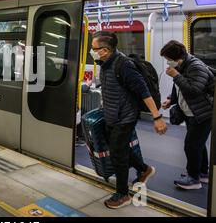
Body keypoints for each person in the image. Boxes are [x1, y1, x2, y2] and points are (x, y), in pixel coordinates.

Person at [90, 31, 167, 209]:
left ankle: (122, 194)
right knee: (119, 148)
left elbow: (143, 91)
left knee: (117, 154)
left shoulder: (124, 65)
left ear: (105, 50)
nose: (92, 52)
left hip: (125, 117)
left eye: (94, 49)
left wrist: (157, 117)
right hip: (112, 115)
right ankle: (145, 169)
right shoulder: (105, 63)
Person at [160, 40, 214, 190]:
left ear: (179, 58)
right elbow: (178, 87)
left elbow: (194, 90)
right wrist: (171, 100)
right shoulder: (183, 65)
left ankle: (193, 179)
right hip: (191, 112)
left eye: (169, 60)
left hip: (203, 113)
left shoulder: (196, 67)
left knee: (191, 146)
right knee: (198, 144)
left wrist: (176, 75)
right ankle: (202, 173)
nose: (168, 63)